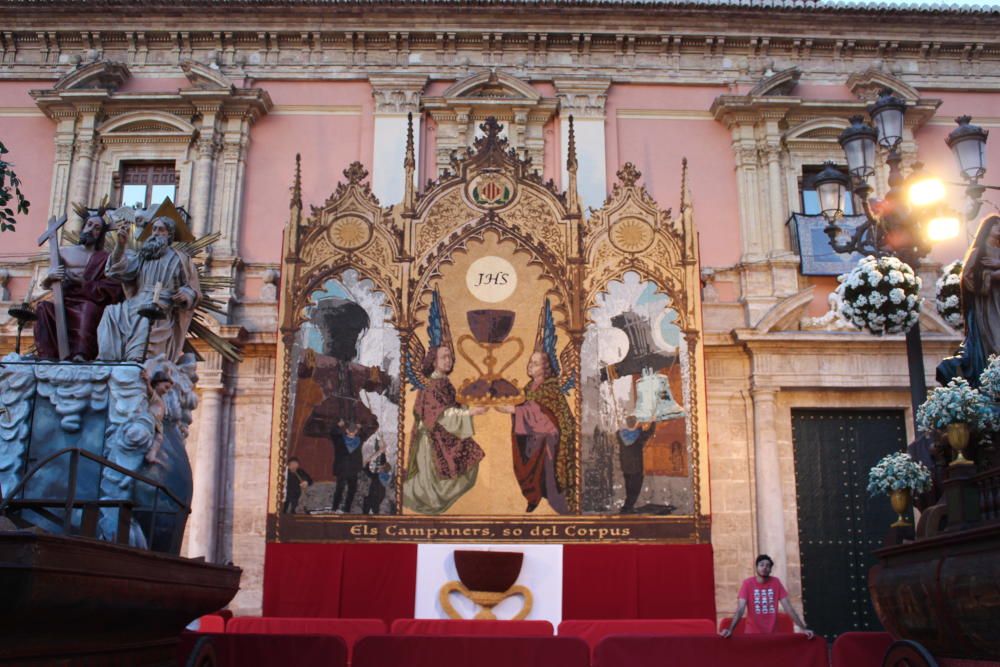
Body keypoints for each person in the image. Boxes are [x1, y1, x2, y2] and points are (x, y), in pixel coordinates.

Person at [296, 298, 396, 513]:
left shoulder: (357, 369)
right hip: (328, 414)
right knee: (323, 454)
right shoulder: (317, 360)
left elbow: (378, 383)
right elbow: (303, 370)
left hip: (353, 417)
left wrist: (386, 378)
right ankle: (319, 500)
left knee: (349, 461)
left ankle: (343, 504)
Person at [98, 216, 200, 362]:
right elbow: (116, 270)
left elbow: (192, 289)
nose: (155, 233)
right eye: (154, 229)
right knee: (111, 313)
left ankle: (136, 357)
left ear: (169, 234)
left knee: (145, 313)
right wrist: (120, 245)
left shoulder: (181, 259)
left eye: (161, 230)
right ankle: (107, 360)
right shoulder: (143, 256)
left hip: (163, 303)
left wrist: (186, 294)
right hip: (137, 300)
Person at [403, 345, 487, 514]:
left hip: (445, 435)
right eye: (444, 357)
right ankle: (409, 495)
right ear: (434, 362)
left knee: (470, 462)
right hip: (432, 440)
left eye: (450, 357)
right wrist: (470, 412)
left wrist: (465, 402)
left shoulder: (444, 382)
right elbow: (442, 415)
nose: (448, 361)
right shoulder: (432, 385)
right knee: (432, 485)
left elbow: (451, 405)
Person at [34, 213, 124, 360]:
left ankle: (81, 354)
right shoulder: (63, 252)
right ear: (83, 227)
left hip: (90, 299)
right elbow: (46, 284)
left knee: (88, 309)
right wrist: (50, 277)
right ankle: (47, 356)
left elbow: (113, 286)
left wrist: (84, 283)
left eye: (97, 228)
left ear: (100, 234)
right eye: (89, 225)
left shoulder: (104, 258)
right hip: (65, 299)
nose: (91, 229)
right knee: (43, 308)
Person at [498, 350, 576, 514]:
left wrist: (515, 410)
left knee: (547, 475)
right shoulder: (528, 387)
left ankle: (554, 499)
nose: (530, 366)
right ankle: (534, 496)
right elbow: (526, 408)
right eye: (530, 362)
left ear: (545, 368)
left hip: (549, 444)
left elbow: (547, 417)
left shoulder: (551, 389)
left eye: (535, 363)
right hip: (532, 440)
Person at [937, 214, 1000, 387]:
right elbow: (968, 277)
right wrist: (993, 275)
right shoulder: (978, 252)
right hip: (987, 306)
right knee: (995, 342)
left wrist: (997, 264)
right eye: (996, 225)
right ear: (987, 229)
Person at [720, 554, 814, 638]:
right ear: (756, 567)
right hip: (752, 634)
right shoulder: (747, 584)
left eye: (768, 566)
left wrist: (803, 628)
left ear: (770, 570)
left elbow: (788, 608)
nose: (765, 567)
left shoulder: (776, 582)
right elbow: (740, 609)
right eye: (761, 565)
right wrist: (730, 630)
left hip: (772, 634)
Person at [617, 416, 656, 513]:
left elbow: (627, 431)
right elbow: (650, 432)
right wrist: (653, 421)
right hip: (636, 467)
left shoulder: (620, 434)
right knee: (635, 488)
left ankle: (627, 507)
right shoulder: (639, 435)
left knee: (628, 487)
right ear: (636, 423)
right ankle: (627, 508)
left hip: (625, 465)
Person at [362, 448, 391, 515]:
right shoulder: (384, 476)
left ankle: (368, 516)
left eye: (381, 467)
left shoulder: (378, 476)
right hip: (379, 496)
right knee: (374, 508)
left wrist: (366, 464)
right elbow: (383, 463)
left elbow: (368, 473)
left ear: (383, 469)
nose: (379, 468)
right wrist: (383, 453)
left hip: (374, 496)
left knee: (370, 506)